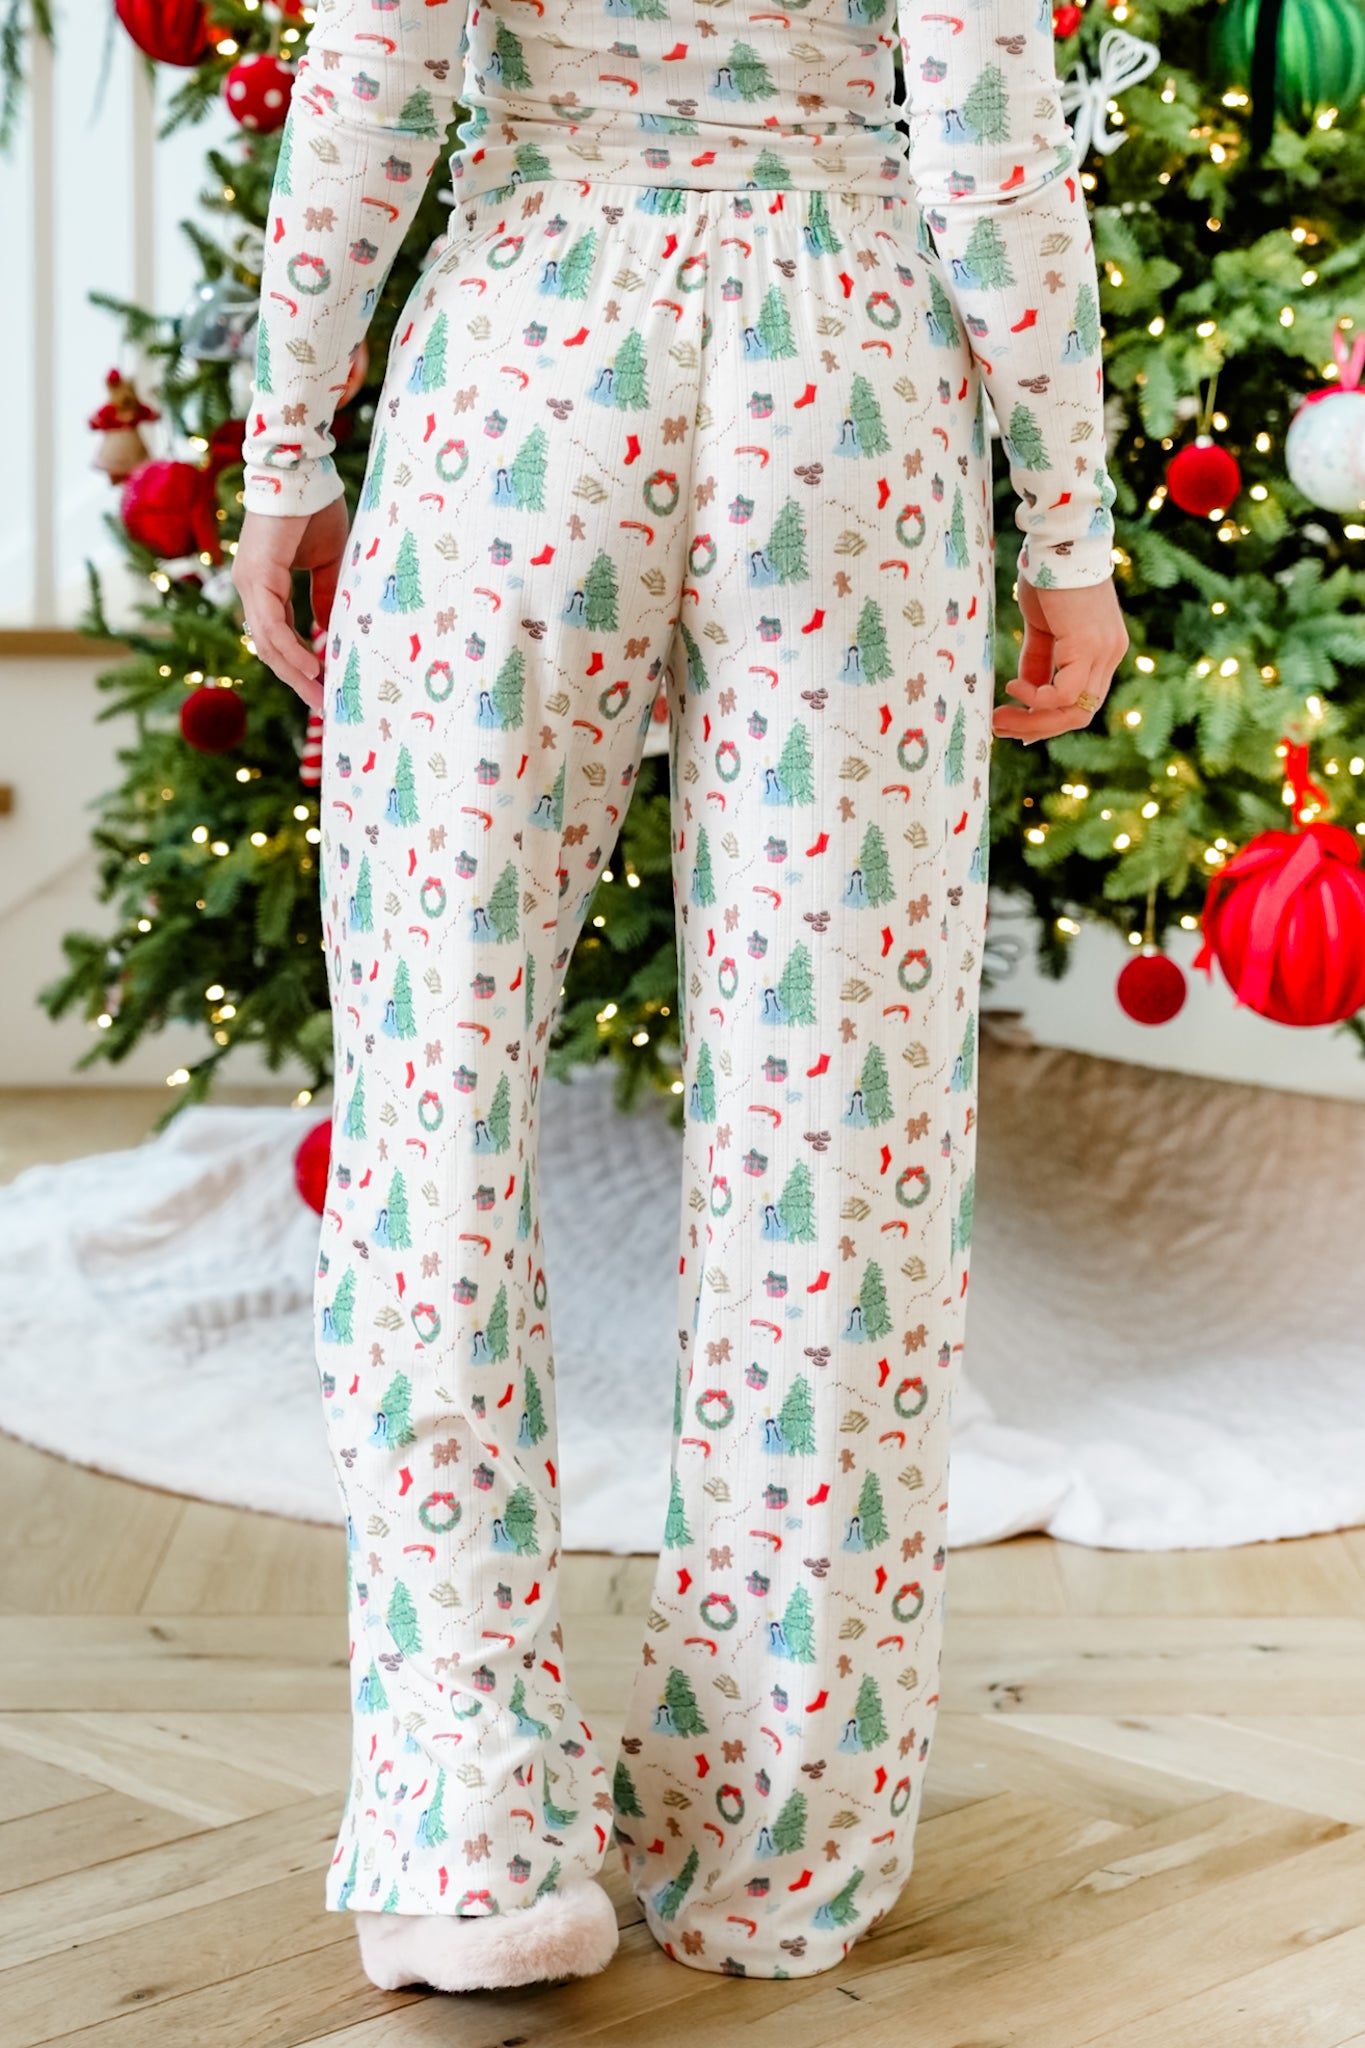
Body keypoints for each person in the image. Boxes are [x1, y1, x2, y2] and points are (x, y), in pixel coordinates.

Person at [232, 0, 1128, 1997]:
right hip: (848, 369)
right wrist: (1064, 519)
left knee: (435, 1084)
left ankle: (466, 1827)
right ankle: (774, 1835)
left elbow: (376, 62)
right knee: (839, 1123)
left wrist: (287, 437)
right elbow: (986, 124)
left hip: (525, 352)